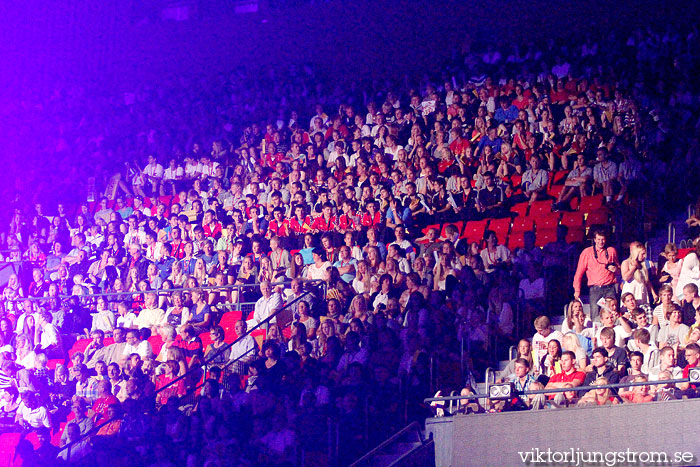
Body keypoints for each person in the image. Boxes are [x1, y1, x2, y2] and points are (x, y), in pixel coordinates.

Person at [572, 229, 619, 320]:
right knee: (595, 315)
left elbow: (619, 269)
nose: (601, 242)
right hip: (595, 289)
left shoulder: (611, 251)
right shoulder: (587, 252)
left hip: (610, 288)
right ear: (594, 240)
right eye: (598, 239)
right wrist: (577, 290)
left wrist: (615, 269)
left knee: (612, 313)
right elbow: (578, 273)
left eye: (603, 239)